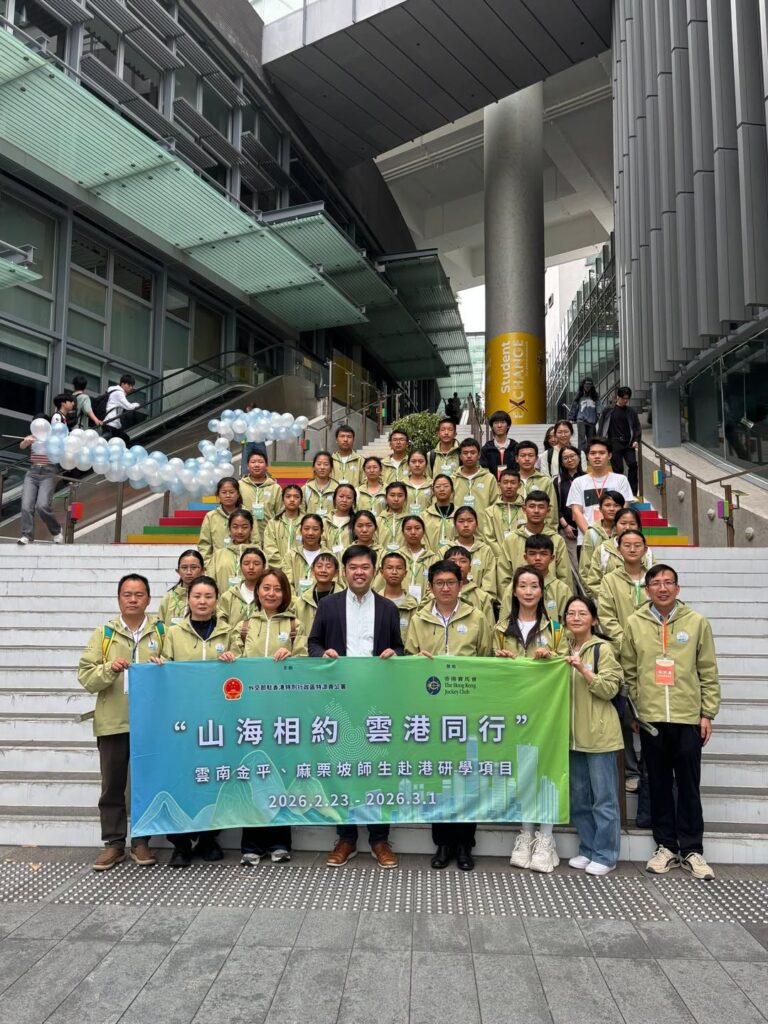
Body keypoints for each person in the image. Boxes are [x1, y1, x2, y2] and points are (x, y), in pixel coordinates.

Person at [621, 564, 720, 880]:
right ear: (647, 590)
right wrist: (635, 711)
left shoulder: (696, 623)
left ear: (678, 588)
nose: (662, 588)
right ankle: (665, 846)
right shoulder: (635, 623)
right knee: (660, 784)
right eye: (656, 583)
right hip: (651, 719)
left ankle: (692, 850)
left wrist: (707, 714)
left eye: (668, 583)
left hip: (687, 716)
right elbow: (629, 670)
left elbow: (708, 671)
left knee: (689, 785)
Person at [308, 545, 404, 869]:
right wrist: (323, 655)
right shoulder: (329, 606)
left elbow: (400, 649)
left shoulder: (389, 609)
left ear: (373, 571)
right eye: (353, 567)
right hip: (340, 702)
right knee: (343, 769)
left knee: (378, 769)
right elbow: (313, 644)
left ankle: (379, 839)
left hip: (377, 703)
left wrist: (394, 655)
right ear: (344, 571)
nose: (359, 572)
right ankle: (346, 837)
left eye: (365, 567)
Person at [405, 559, 493, 871]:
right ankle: (442, 843)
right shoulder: (419, 619)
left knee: (467, 776)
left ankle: (465, 845)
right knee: (438, 776)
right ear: (430, 587)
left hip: (467, 709)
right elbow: (409, 658)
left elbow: (486, 660)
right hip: (431, 711)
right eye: (439, 583)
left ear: (461, 584)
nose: (445, 588)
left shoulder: (477, 616)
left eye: (451, 582)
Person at [77, 573, 166, 870]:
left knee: (146, 784)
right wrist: (109, 670)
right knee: (112, 785)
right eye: (127, 594)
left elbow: (178, 672)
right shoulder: (104, 634)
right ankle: (113, 843)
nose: (133, 599)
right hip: (114, 721)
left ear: (149, 599)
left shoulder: (162, 632)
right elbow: (86, 678)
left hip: (152, 723)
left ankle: (142, 842)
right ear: (119, 598)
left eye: (139, 594)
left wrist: (163, 668)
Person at [150, 575, 234, 867]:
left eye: (208, 596)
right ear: (188, 600)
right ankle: (181, 844)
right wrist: (160, 665)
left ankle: (210, 838)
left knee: (214, 778)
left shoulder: (228, 632)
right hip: (182, 719)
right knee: (182, 779)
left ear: (216, 600)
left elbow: (241, 672)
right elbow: (164, 670)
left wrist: (235, 659)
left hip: (217, 718)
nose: (202, 601)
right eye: (197, 596)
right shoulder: (173, 633)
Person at [229, 568, 307, 864]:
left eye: (277, 589)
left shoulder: (295, 624)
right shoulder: (245, 624)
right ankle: (251, 843)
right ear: (257, 591)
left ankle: (279, 841)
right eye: (266, 588)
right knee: (252, 772)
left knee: (280, 774)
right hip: (250, 710)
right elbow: (234, 657)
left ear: (285, 593)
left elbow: (304, 660)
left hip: (282, 710)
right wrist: (230, 658)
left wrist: (292, 656)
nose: (271, 593)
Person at [496, 566, 561, 873]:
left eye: (534, 585)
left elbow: (566, 659)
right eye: (522, 585)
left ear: (542, 591)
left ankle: (546, 839)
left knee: (546, 768)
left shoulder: (557, 627)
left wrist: (552, 657)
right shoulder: (499, 627)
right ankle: (525, 834)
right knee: (522, 769)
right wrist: (500, 659)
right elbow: (484, 660)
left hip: (547, 709)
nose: (528, 591)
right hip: (512, 708)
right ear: (514, 591)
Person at [562, 595, 623, 875]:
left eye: (582, 613)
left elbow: (610, 688)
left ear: (594, 619)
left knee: (604, 799)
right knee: (579, 798)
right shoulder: (562, 647)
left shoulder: (603, 650)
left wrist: (584, 669)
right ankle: (587, 848)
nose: (576, 617)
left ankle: (606, 854)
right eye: (571, 613)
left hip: (599, 735)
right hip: (572, 737)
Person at [596, 528, 650, 795]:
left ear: (645, 548)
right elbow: (605, 617)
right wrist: (626, 643)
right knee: (625, 713)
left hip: (652, 659)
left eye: (637, 544)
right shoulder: (609, 581)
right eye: (626, 545)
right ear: (618, 549)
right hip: (621, 657)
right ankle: (630, 770)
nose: (631, 549)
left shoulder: (654, 579)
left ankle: (648, 768)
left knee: (650, 711)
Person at [18, 393, 75, 545]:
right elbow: (22, 446)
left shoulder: (53, 436)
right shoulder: (33, 435)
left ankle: (56, 531)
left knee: (42, 506)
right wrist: (26, 441)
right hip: (32, 473)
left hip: (49, 473)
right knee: (25, 506)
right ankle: (27, 535)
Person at [567, 437, 634, 556]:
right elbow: (577, 512)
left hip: (616, 541)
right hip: (587, 542)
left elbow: (623, 511)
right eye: (593, 453)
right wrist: (592, 536)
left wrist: (610, 536)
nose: (597, 456)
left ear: (609, 456)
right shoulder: (579, 482)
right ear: (587, 456)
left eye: (602, 453)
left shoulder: (621, 480)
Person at [497, 490, 572, 594]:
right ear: (524, 509)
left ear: (548, 510)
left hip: (551, 599)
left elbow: (565, 576)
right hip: (519, 599)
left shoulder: (556, 540)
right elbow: (503, 577)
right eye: (532, 506)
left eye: (541, 507)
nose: (536, 511)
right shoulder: (511, 540)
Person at [583, 506, 654, 598]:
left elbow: (654, 579)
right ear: (615, 526)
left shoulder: (647, 552)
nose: (627, 527)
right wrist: (611, 599)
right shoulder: (603, 550)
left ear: (638, 527)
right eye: (623, 523)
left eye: (632, 523)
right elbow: (593, 583)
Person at [598, 386, 641, 494]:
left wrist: (636, 439)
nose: (625, 400)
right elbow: (601, 427)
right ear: (618, 397)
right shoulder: (608, 410)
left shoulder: (631, 411)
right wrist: (601, 442)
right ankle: (620, 493)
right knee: (618, 469)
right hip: (614, 442)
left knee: (632, 464)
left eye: (627, 398)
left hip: (628, 443)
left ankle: (632, 492)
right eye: (623, 398)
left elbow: (637, 427)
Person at [578, 490, 627, 586]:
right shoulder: (592, 533)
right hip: (598, 591)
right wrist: (594, 594)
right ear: (600, 509)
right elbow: (585, 568)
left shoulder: (626, 532)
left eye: (616, 505)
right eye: (607, 505)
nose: (612, 509)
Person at [216, 546, 267, 635]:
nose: (251, 567)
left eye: (256, 563)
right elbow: (221, 624)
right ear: (240, 566)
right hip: (233, 645)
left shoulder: (269, 595)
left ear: (264, 567)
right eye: (246, 563)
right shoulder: (228, 596)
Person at [444, 544, 495, 630]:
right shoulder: (437, 594)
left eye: (463, 561)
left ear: (470, 568)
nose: (458, 565)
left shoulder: (482, 597)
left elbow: (489, 630)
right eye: (453, 561)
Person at [452, 505, 497, 600]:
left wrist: (479, 600)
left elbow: (489, 585)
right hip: (451, 602)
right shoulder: (446, 550)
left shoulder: (485, 550)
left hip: (479, 603)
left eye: (470, 521)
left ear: (476, 524)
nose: (465, 525)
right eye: (461, 521)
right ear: (455, 524)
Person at [207, 509, 256, 593]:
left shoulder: (259, 554)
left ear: (251, 529)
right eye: (235, 527)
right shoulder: (218, 555)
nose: (240, 531)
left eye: (244, 527)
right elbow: (210, 583)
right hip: (223, 604)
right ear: (229, 529)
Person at [554, 444, 585, 575]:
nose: (570, 460)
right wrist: (565, 526)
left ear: (579, 458)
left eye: (572, 456)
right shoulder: (557, 482)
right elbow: (555, 507)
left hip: (587, 528)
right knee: (574, 567)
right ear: (561, 462)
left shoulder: (588, 479)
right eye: (565, 458)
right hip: (568, 530)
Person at [294, 552, 343, 636]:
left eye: (328, 567)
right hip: (307, 647)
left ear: (336, 573)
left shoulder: (344, 599)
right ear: (313, 571)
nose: (323, 570)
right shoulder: (302, 601)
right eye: (319, 566)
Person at [238, 450, 280, 545]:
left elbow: (279, 514)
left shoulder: (275, 487)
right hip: (245, 537)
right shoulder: (240, 486)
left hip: (270, 537)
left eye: (260, 462)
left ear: (266, 466)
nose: (256, 465)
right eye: (253, 462)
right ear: (248, 466)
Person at [198, 477, 243, 565]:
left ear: (238, 495)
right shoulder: (210, 516)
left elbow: (255, 540)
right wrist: (208, 564)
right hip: (217, 565)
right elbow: (204, 544)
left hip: (242, 564)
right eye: (224, 492)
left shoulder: (247, 515)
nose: (228, 495)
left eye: (231, 492)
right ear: (218, 495)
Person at [481, 467, 524, 557]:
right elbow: (489, 538)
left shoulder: (526, 509)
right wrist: (503, 556)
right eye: (505, 482)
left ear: (519, 485)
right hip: (499, 559)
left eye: (513, 482)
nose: (509, 486)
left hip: (522, 557)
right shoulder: (490, 511)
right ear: (499, 485)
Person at [156, 549, 205, 626]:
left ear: (203, 570)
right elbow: (159, 628)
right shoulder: (168, 598)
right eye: (184, 567)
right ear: (178, 571)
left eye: (194, 567)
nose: (189, 572)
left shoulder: (209, 597)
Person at [514, 441, 557, 526]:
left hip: (539, 532)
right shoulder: (511, 481)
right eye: (523, 456)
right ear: (516, 458)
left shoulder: (545, 481)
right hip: (515, 531)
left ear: (536, 458)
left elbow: (551, 510)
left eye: (530, 455)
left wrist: (548, 532)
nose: (527, 459)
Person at [377, 551, 420, 637]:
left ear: (405, 573)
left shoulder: (413, 604)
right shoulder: (374, 602)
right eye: (389, 568)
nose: (394, 572)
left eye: (399, 568)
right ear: (382, 572)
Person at [452, 438, 499, 515]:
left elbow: (495, 505)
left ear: (479, 455)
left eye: (473, 452)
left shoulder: (489, 478)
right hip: (459, 525)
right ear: (460, 456)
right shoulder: (453, 479)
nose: (469, 456)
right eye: (465, 453)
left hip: (484, 526)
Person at [262, 484, 304, 571]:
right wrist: (284, 568)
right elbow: (269, 549)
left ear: (301, 501)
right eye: (288, 496)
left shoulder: (307, 523)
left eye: (296, 497)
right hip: (278, 571)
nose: (292, 500)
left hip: (301, 570)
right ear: (283, 500)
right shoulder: (273, 523)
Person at [285, 513, 326, 597]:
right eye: (306, 529)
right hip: (295, 606)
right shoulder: (291, 555)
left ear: (322, 531)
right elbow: (287, 584)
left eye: (315, 529)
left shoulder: (329, 556)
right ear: (301, 530)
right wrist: (298, 604)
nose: (310, 533)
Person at [423, 474, 457, 552]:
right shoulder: (425, 515)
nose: (442, 489)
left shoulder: (459, 515)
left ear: (452, 490)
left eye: (446, 486)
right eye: (438, 487)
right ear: (433, 491)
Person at [102, 374, 140, 444]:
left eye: (132, 386)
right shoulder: (119, 393)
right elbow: (129, 407)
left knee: (124, 439)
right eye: (129, 385)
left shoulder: (115, 391)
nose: (131, 387)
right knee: (119, 441)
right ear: (122, 384)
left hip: (112, 423)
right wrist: (137, 404)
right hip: (110, 423)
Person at [480, 410, 517, 478]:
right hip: (492, 485)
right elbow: (484, 470)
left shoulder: (516, 447)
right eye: (496, 423)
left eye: (503, 422)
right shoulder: (486, 449)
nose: (499, 426)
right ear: (492, 427)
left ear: (508, 426)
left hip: (512, 485)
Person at [322, 484, 356, 556]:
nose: (344, 500)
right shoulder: (325, 521)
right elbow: (321, 543)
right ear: (334, 499)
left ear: (353, 501)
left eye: (349, 497)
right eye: (341, 496)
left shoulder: (356, 522)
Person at [303, 451, 338, 518]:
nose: (322, 467)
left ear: (331, 468)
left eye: (326, 464)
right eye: (319, 464)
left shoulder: (337, 489)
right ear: (313, 467)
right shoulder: (306, 488)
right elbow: (301, 512)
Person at [569, 377, 601, 451]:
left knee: (591, 439)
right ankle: (581, 454)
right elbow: (574, 406)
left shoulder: (595, 396)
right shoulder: (579, 395)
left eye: (589, 385)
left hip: (592, 420)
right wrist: (571, 417)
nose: (587, 386)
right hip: (581, 420)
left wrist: (599, 413)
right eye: (586, 384)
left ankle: (590, 454)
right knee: (582, 439)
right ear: (583, 385)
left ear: (592, 386)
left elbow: (599, 405)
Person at [378, 481, 408, 552]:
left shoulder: (410, 520)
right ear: (386, 497)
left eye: (400, 495)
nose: (396, 499)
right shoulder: (378, 520)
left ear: (405, 498)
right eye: (392, 495)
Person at [404, 449, 433, 513]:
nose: (417, 465)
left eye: (421, 461)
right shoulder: (401, 484)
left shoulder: (432, 485)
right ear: (408, 464)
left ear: (426, 464)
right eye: (413, 461)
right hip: (406, 522)